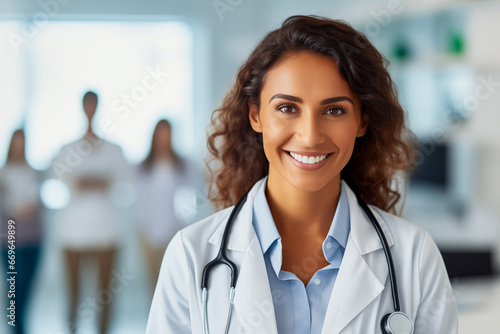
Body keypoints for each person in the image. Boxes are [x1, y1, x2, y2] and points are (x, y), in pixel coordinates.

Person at [146, 15, 458, 334]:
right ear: (255, 114)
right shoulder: (191, 255)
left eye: (334, 110)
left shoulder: (414, 256)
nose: (310, 136)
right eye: (287, 108)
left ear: (362, 121)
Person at [51, 91, 130, 334]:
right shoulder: (67, 149)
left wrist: (87, 181)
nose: (90, 109)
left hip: (106, 231)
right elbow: (64, 180)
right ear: (82, 107)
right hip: (73, 232)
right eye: (87, 105)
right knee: (73, 292)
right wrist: (98, 181)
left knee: (104, 294)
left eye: (94, 105)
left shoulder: (114, 149)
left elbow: (123, 179)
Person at [134, 119, 203, 292]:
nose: (163, 139)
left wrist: (183, 225)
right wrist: (143, 231)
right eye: (160, 134)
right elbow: (140, 202)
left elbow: (196, 193)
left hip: (175, 231)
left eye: (167, 134)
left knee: (174, 285)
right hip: (147, 234)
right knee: (153, 285)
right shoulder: (143, 166)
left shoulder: (184, 165)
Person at [0, 129, 43, 334]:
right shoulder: (3, 173)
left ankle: (20, 327)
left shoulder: (34, 172)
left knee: (26, 289)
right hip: (10, 240)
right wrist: (16, 208)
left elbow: (37, 203)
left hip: (33, 239)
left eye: (22, 143)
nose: (19, 148)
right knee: (13, 289)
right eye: (15, 143)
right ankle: (16, 329)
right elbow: (6, 205)